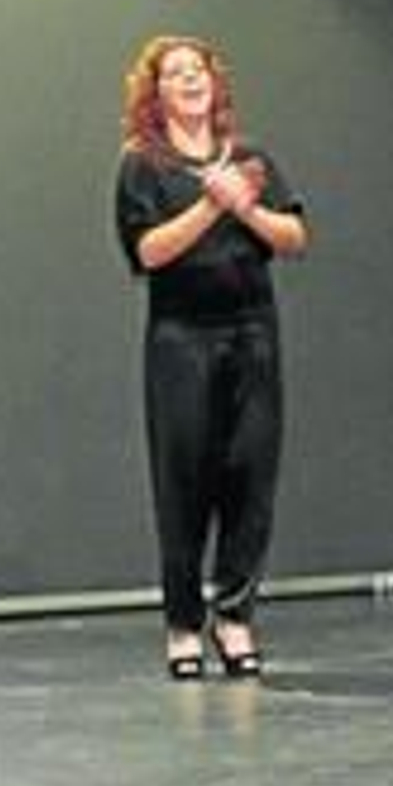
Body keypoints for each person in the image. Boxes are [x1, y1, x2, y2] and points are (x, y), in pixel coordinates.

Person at [114, 35, 307, 681]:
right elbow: (149, 253)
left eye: (198, 71)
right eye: (176, 74)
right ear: (156, 92)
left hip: (253, 331)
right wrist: (210, 205)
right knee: (184, 481)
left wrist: (245, 204)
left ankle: (235, 615)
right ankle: (183, 626)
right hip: (181, 338)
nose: (191, 81)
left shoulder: (251, 158)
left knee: (250, 476)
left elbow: (294, 237)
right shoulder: (143, 164)